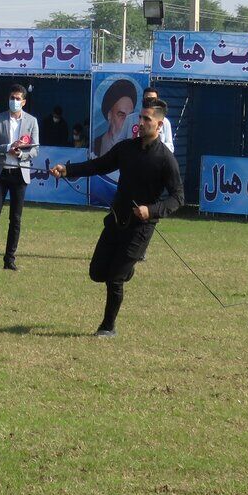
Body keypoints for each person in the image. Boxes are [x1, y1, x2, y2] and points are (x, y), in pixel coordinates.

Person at [50, 98, 184, 337]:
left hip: (141, 227)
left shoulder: (166, 159)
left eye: (147, 119)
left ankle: (108, 327)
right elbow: (98, 165)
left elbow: (178, 198)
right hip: (115, 220)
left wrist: (151, 210)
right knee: (97, 272)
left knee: (114, 278)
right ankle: (126, 269)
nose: (140, 122)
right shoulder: (126, 148)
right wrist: (68, 170)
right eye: (140, 117)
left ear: (160, 125)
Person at [0, 84, 38, 270]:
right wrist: (8, 147)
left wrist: (21, 154)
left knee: (15, 219)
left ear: (24, 101)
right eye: (12, 98)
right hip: (0, 173)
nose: (14, 101)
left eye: (17, 98)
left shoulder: (32, 121)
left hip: (19, 174)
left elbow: (35, 150)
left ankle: (10, 258)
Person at [93, 78, 138, 157]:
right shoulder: (96, 144)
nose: (127, 121)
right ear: (109, 115)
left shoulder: (135, 144)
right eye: (121, 115)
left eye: (130, 116)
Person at [141, 87, 175, 152]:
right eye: (147, 99)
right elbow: (120, 140)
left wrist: (155, 145)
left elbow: (171, 147)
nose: (149, 102)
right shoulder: (130, 118)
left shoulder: (165, 121)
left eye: (153, 99)